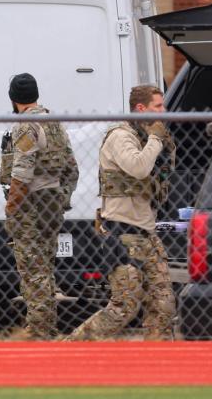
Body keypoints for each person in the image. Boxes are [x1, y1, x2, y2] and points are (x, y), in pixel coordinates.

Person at [65, 84, 177, 341]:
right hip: (123, 232)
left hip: (147, 232)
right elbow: (137, 167)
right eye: (158, 106)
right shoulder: (121, 136)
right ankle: (71, 348)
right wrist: (157, 139)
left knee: (163, 305)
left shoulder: (145, 137)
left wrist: (163, 143)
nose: (163, 111)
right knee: (124, 306)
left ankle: (157, 362)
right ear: (141, 108)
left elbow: (162, 172)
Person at [0, 73, 79, 339]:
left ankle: (40, 331)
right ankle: (47, 326)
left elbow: (21, 176)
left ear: (13, 98)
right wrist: (61, 198)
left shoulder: (26, 125)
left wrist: (11, 210)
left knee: (33, 270)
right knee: (45, 267)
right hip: (51, 202)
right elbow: (72, 169)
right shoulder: (53, 122)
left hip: (30, 205)